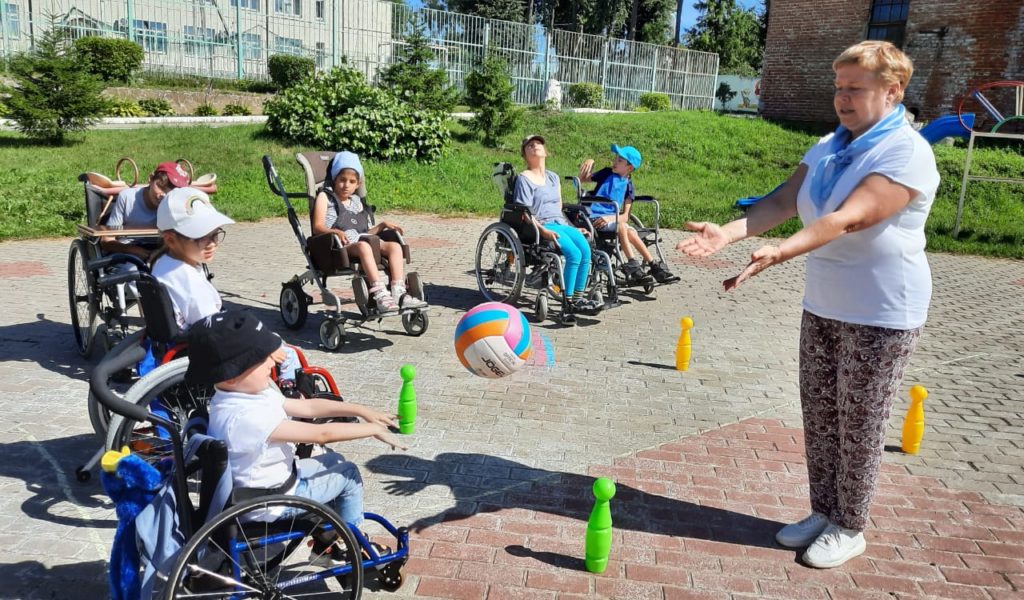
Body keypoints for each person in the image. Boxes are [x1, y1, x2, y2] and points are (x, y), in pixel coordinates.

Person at [675, 40, 939, 569]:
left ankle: (850, 525)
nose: (842, 99)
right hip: (824, 301)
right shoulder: (828, 145)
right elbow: (780, 201)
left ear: (892, 92)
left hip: (882, 308)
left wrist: (782, 250)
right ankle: (824, 511)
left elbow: (851, 216)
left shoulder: (906, 151)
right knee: (820, 415)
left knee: (858, 421)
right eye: (838, 88)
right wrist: (726, 234)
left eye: (855, 89)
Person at [185, 309, 406, 559]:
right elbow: (321, 433)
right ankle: (351, 547)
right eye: (262, 359)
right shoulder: (245, 417)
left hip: (270, 486)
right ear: (233, 373)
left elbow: (308, 407)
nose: (273, 362)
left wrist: (362, 410)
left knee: (332, 461)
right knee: (348, 474)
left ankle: (328, 537)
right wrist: (372, 429)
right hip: (271, 502)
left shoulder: (240, 395)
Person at [152, 187, 302, 390]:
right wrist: (264, 345)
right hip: (207, 342)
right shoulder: (188, 280)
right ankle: (290, 396)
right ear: (170, 239)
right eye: (201, 237)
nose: (212, 243)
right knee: (289, 353)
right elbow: (212, 328)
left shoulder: (163, 264)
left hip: (189, 337)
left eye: (215, 235)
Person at [311, 151, 427, 312]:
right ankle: (379, 293)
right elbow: (317, 227)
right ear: (335, 179)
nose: (346, 185)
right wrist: (335, 232)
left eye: (352, 182)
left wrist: (383, 225)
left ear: (358, 184)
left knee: (394, 247)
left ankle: (398, 292)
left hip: (361, 239)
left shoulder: (357, 201)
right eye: (342, 180)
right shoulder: (325, 197)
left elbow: (364, 231)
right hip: (338, 246)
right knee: (364, 246)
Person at [513, 135, 600, 317]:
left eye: (538, 144)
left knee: (586, 251)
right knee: (574, 254)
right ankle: (567, 304)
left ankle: (577, 299)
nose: (535, 146)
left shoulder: (553, 178)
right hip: (541, 225)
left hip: (560, 223)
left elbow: (559, 209)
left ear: (545, 152)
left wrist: (573, 227)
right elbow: (524, 212)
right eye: (530, 145)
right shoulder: (524, 178)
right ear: (525, 154)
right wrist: (543, 231)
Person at [578, 145, 679, 285]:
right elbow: (582, 179)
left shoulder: (628, 186)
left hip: (612, 220)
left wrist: (611, 218)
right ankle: (634, 266)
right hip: (594, 218)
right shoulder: (606, 173)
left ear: (629, 168)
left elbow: (625, 216)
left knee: (629, 230)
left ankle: (653, 266)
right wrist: (589, 163)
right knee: (624, 227)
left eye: (620, 160)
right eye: (616, 158)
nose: (615, 161)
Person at [101, 161, 190, 261]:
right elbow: (106, 240)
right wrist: (133, 250)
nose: (163, 195)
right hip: (127, 253)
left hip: (161, 252)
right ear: (151, 179)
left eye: (169, 193)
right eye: (160, 187)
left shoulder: (175, 205)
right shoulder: (127, 197)